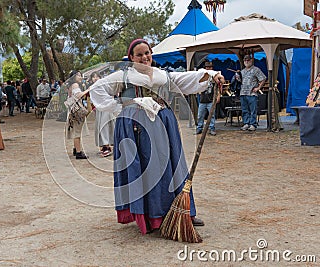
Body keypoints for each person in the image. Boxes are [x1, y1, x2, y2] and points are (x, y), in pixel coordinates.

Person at [89, 39, 224, 234]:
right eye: (139, 54)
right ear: (131, 58)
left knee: (172, 165)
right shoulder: (123, 76)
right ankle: (152, 217)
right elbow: (97, 89)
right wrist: (123, 105)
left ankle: (181, 213)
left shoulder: (163, 75)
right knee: (147, 168)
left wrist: (212, 75)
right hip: (136, 126)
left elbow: (188, 79)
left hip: (163, 123)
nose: (145, 58)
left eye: (147, 53)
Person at [90, 72, 115, 157]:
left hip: (107, 108)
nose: (95, 78)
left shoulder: (104, 85)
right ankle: (104, 146)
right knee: (100, 127)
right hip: (99, 110)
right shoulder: (93, 88)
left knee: (105, 126)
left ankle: (107, 147)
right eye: (93, 77)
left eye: (97, 77)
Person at [240, 54, 266, 131]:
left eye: (248, 60)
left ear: (251, 60)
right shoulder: (242, 71)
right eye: (245, 60)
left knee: (253, 110)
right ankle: (246, 123)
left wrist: (258, 88)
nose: (246, 61)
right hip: (243, 93)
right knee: (244, 110)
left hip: (252, 93)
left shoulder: (256, 70)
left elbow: (263, 78)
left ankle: (253, 124)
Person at [66, 70, 88, 159]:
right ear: (74, 76)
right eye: (79, 75)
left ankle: (76, 149)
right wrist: (88, 90)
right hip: (77, 111)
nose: (81, 77)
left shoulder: (70, 86)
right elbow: (79, 95)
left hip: (73, 111)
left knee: (76, 130)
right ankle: (79, 152)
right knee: (77, 132)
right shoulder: (75, 85)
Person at [196, 61, 220, 136]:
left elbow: (218, 87)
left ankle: (211, 128)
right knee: (200, 115)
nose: (208, 69)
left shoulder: (214, 77)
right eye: (207, 67)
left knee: (211, 115)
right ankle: (199, 128)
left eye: (210, 67)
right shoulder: (202, 76)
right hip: (202, 100)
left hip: (211, 100)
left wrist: (218, 96)